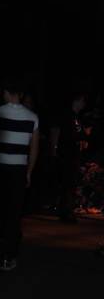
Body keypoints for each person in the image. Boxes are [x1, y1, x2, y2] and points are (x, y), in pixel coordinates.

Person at [0, 77, 39, 271]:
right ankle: (9, 256)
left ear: (5, 92)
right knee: (13, 214)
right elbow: (34, 149)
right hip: (18, 169)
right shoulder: (32, 117)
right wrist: (29, 172)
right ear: (21, 94)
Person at [50, 91, 90, 223]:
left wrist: (84, 139)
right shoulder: (66, 115)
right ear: (77, 101)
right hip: (66, 153)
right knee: (67, 183)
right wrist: (54, 148)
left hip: (74, 154)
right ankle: (66, 212)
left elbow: (80, 134)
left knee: (71, 183)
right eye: (83, 101)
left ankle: (67, 210)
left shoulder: (77, 117)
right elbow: (56, 130)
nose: (84, 104)